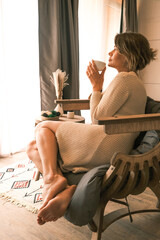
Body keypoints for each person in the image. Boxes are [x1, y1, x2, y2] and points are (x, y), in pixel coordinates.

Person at [26, 32, 157, 225]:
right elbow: (104, 112)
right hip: (113, 141)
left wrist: (97, 86)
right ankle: (65, 189)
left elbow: (97, 118)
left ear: (129, 55)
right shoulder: (133, 81)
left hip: (107, 142)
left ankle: (52, 178)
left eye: (117, 49)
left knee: (43, 127)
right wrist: (99, 91)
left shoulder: (125, 79)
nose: (111, 52)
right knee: (33, 147)